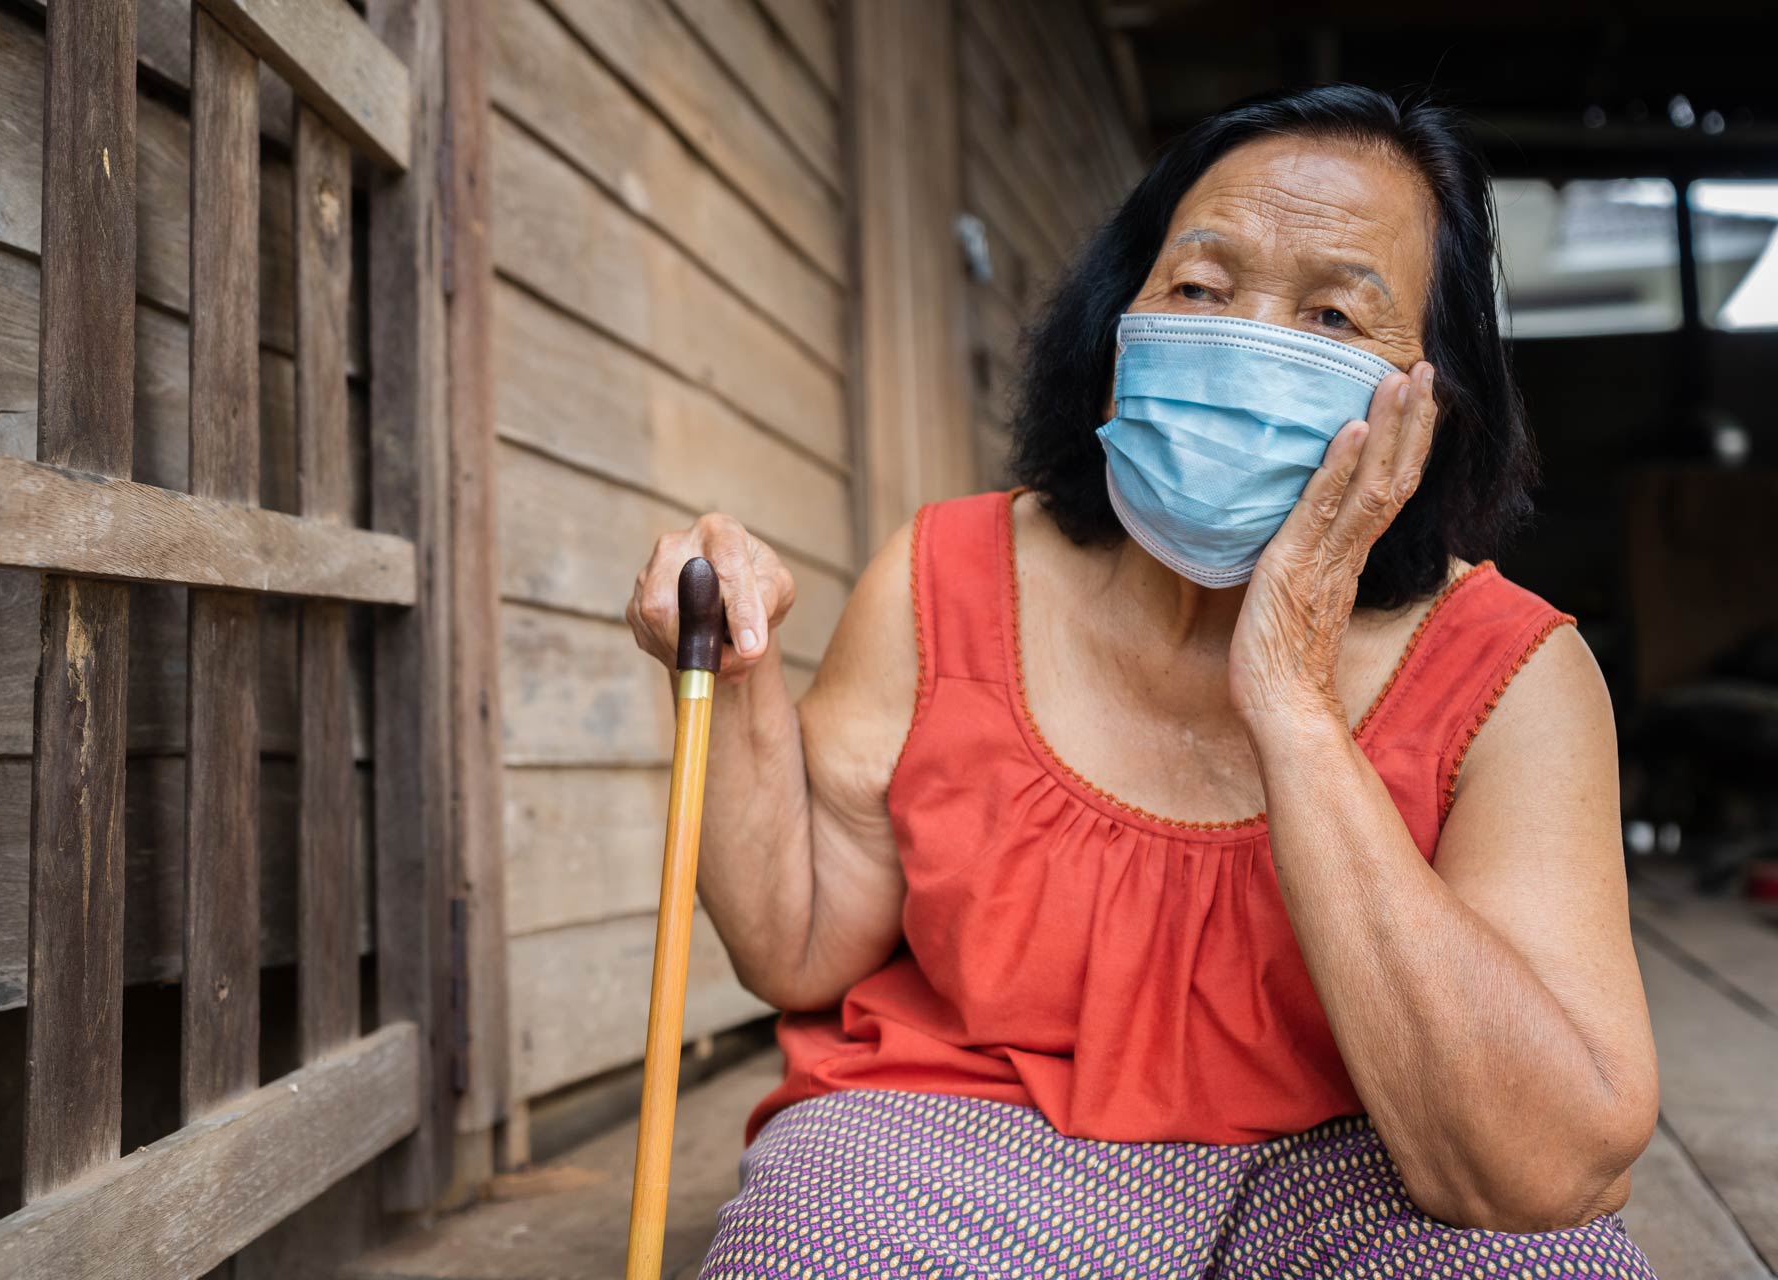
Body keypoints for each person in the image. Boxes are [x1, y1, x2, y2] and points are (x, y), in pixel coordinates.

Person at [625, 84, 1659, 1278]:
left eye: (1332, 315)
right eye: (1200, 289)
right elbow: (795, 947)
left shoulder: (1515, 674)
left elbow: (1533, 1168)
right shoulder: (946, 575)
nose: (1242, 340)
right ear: (1119, 332)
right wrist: (733, 665)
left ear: (1431, 402)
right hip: (964, 1124)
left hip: (1363, 1160)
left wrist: (1289, 695)